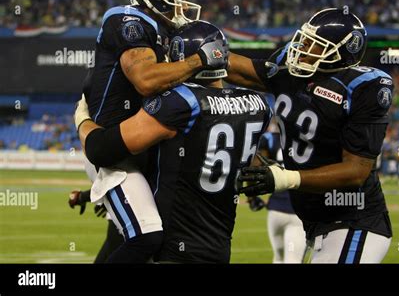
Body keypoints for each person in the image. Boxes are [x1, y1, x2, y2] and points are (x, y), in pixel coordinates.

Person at [75, 21, 272, 263]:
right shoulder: (257, 105)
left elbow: (101, 149)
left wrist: (82, 119)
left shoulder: (181, 102)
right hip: (219, 247)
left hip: (175, 247)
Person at [81, 0, 228, 263]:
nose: (183, 1)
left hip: (144, 144)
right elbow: (146, 81)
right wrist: (198, 60)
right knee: (147, 236)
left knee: (143, 237)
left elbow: (222, 61)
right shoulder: (129, 20)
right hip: (115, 146)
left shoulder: (160, 30)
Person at [228, 8, 394, 263]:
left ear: (340, 52)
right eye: (304, 39)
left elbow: (356, 171)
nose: (301, 47)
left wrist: (286, 178)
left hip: (355, 221)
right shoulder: (291, 72)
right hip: (315, 224)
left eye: (314, 44)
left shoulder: (363, 87)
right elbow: (239, 70)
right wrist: (199, 51)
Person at [250, 120, 305, 263]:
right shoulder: (307, 141)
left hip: (276, 211)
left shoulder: (270, 138)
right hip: (299, 211)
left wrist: (252, 197)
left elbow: (254, 166)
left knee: (279, 258)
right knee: (292, 260)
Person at [68, 189, 123, 263]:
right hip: (124, 215)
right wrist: (107, 200)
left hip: (125, 218)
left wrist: (82, 196)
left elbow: (112, 183)